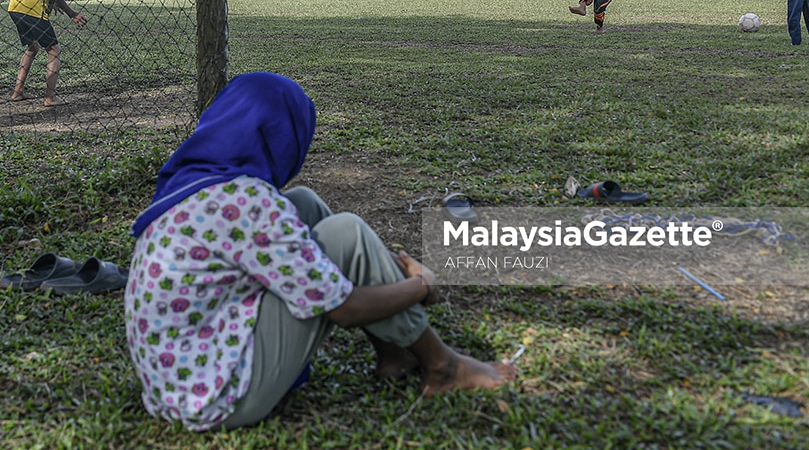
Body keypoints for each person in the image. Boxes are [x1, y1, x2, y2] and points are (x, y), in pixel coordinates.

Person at [124, 72, 517, 432]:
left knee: (303, 203)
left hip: (179, 378)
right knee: (345, 233)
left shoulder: (194, 182)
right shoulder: (246, 201)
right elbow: (342, 308)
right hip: (217, 397)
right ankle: (443, 367)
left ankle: (393, 353)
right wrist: (423, 285)